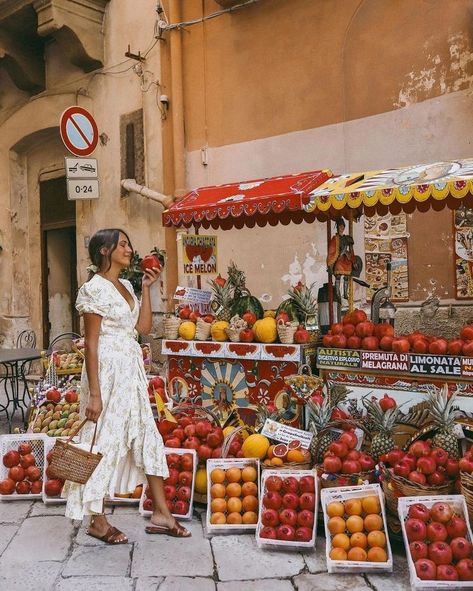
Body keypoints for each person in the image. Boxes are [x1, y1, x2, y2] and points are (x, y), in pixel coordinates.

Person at [64, 228, 191, 543]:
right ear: (104, 250)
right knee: (100, 440)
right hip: (106, 372)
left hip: (131, 372)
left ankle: (161, 512)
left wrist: (147, 288)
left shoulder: (128, 286)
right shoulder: (94, 289)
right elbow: (91, 344)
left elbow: (143, 328)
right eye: (123, 244)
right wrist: (95, 394)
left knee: (147, 435)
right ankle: (97, 519)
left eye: (129, 243)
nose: (130, 249)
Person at [326, 218, 362, 300]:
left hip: (347, 258)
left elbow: (351, 249)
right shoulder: (335, 238)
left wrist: (353, 260)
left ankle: (345, 294)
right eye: (340, 226)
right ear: (337, 227)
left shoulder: (347, 238)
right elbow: (332, 249)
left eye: (343, 226)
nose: (341, 228)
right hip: (339, 258)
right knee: (338, 275)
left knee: (346, 277)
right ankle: (337, 294)